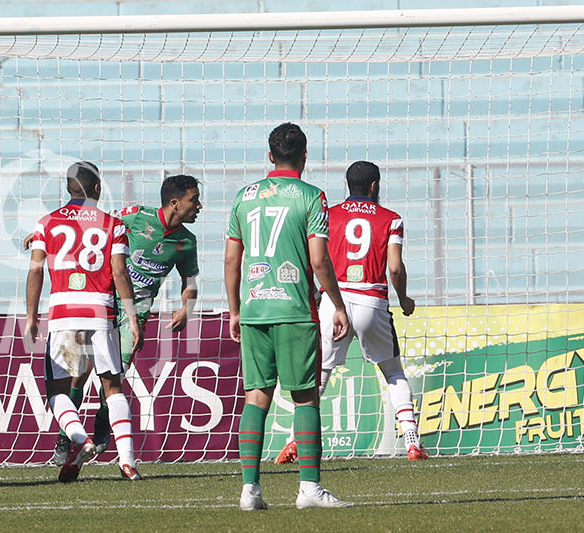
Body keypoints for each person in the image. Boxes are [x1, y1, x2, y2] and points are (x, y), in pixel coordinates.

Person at [29, 175, 201, 467]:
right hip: (106, 299)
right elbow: (92, 224)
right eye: (194, 199)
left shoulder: (186, 241)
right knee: (79, 372)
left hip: (136, 311)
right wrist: (46, 236)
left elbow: (190, 280)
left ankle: (100, 432)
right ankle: (65, 438)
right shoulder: (135, 216)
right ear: (175, 203)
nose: (199, 206)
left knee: (113, 377)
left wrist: (187, 307)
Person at [225, 123, 352, 510]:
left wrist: (234, 309)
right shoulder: (312, 196)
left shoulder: (243, 197)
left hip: (254, 308)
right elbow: (319, 260)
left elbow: (232, 258)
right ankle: (309, 490)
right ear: (304, 157)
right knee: (305, 398)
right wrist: (338, 303)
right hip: (295, 308)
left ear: (269, 156)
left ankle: (250, 491)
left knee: (256, 396)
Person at [275, 161, 426, 464]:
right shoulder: (391, 220)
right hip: (371, 300)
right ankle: (411, 440)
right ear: (374, 186)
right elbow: (394, 268)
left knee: (320, 374)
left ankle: (294, 440)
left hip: (335, 302)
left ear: (348, 185)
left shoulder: (328, 216)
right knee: (393, 372)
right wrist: (405, 299)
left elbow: (312, 260)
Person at [25, 161, 144, 482]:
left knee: (57, 389)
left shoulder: (46, 223)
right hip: (102, 311)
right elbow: (119, 272)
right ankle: (128, 461)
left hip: (64, 311)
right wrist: (131, 317)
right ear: (96, 189)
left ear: (67, 188)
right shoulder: (113, 224)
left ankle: (80, 439)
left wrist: (31, 316)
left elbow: (36, 270)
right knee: (113, 388)